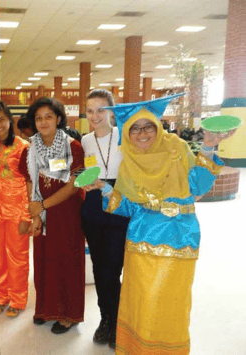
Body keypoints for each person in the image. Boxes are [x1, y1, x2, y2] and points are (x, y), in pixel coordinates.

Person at [82, 94, 235, 354]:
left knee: (172, 301)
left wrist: (209, 146)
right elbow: (129, 205)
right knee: (142, 300)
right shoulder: (129, 158)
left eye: (148, 126)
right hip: (141, 241)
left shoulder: (176, 148)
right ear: (128, 132)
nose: (142, 134)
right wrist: (105, 189)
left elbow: (197, 185)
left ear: (158, 126)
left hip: (179, 238)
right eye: (135, 128)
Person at [20, 97, 85, 334]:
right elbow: (29, 181)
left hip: (67, 214)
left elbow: (75, 184)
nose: (43, 122)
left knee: (66, 262)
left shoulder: (73, 147)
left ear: (58, 118)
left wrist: (43, 206)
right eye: (38, 118)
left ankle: (68, 315)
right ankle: (45, 309)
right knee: (44, 260)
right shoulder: (30, 149)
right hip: (43, 214)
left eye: (49, 116)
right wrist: (35, 213)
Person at [80, 89, 130, 349]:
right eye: (90, 110)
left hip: (119, 205)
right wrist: (84, 182)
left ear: (112, 111)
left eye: (101, 109)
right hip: (92, 208)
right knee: (99, 267)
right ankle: (105, 319)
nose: (95, 115)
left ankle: (119, 321)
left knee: (114, 268)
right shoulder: (85, 140)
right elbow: (82, 171)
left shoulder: (125, 136)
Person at [0, 101, 31, 317]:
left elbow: (31, 183)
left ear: (10, 120)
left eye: (2, 119)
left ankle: (18, 300)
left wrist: (26, 216)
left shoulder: (23, 147)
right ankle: (0, 297)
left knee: (17, 257)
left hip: (17, 211)